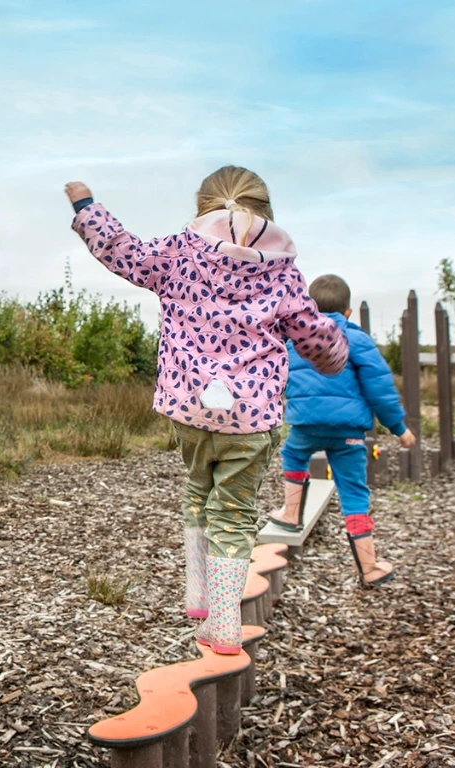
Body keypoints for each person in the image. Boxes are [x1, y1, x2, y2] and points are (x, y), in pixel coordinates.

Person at [64, 167, 348, 655]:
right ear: (265, 210)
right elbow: (313, 335)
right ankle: (223, 624)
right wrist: (336, 355)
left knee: (198, 487)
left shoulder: (178, 252)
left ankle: (199, 596)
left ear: (202, 207)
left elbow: (123, 250)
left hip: (189, 408)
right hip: (251, 417)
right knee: (234, 514)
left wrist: (86, 207)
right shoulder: (281, 270)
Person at [268, 275, 416, 588]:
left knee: (293, 455)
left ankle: (292, 513)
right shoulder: (357, 338)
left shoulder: (295, 339)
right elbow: (380, 389)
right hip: (349, 431)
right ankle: (369, 567)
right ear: (348, 312)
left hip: (306, 424)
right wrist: (399, 428)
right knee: (353, 492)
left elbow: (274, 377)